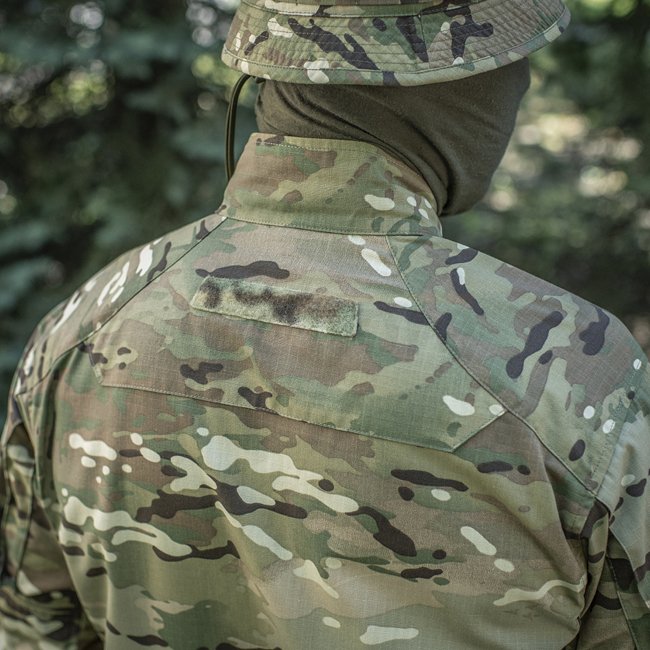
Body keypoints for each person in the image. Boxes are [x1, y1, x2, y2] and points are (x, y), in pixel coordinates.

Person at [1, 0, 648, 647]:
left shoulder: (82, 328)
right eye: (514, 63)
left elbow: (33, 629)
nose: (522, 85)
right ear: (458, 86)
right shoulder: (575, 372)